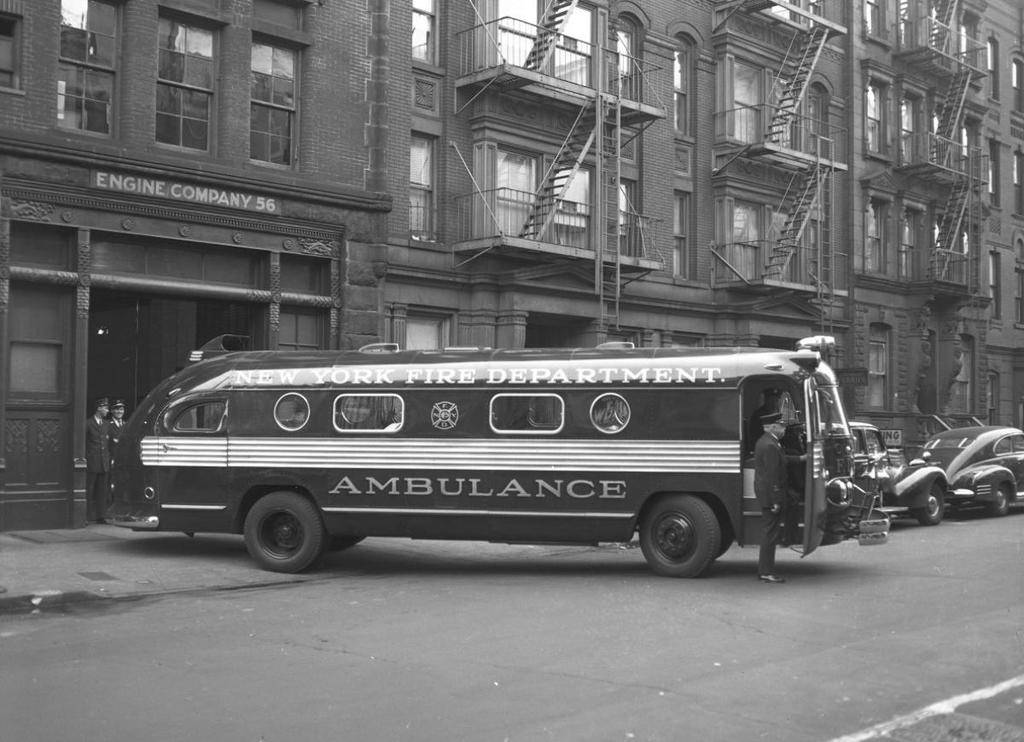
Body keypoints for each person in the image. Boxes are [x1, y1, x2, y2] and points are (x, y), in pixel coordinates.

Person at [754, 411, 800, 583]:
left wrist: (800, 458)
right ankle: (766, 571)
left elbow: (781, 461)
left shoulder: (768, 442)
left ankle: (766, 569)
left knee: (770, 533)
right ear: (773, 427)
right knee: (770, 535)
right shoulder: (771, 445)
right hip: (770, 496)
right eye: (781, 425)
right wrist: (775, 501)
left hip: (767, 494)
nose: (784, 428)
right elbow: (772, 476)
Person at [85, 397, 111, 524]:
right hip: (92, 462)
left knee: (102, 492)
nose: (107, 410)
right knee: (89, 490)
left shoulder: (107, 425)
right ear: (98, 408)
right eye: (105, 408)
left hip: (104, 462)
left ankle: (101, 516)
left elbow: (109, 444)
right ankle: (86, 517)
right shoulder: (88, 423)